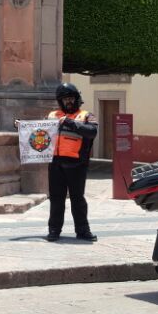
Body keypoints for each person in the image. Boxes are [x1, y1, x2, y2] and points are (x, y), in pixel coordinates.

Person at [43, 82, 99, 242]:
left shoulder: (86, 115)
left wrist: (70, 122)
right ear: (60, 101)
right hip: (55, 164)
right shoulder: (52, 115)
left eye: (71, 98)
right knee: (56, 199)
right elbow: (38, 131)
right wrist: (21, 126)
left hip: (77, 164)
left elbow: (92, 132)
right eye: (65, 99)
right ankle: (54, 230)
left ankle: (83, 231)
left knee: (78, 199)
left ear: (77, 99)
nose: (68, 101)